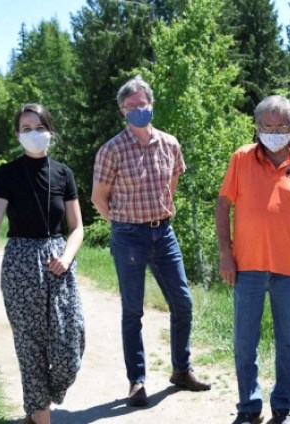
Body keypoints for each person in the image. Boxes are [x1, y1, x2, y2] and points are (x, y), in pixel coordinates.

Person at [91, 75, 210, 407]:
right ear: (122, 111)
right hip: (129, 235)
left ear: (151, 105)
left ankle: (182, 370)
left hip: (164, 232)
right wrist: (120, 223)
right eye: (130, 106)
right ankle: (137, 381)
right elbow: (98, 197)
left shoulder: (170, 143)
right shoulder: (111, 150)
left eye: (142, 104)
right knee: (133, 311)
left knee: (183, 303)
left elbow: (174, 178)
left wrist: (164, 208)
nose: (137, 110)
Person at [0, 103, 85, 424]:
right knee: (31, 352)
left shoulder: (63, 173)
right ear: (18, 135)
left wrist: (67, 256)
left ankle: (39, 403)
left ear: (50, 132)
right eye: (25, 129)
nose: (33, 134)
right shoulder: (8, 173)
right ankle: (39, 414)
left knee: (69, 350)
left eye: (38, 127)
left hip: (59, 266)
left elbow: (78, 228)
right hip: (19, 265)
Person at [216, 95, 290, 424]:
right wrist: (225, 254)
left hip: (289, 270)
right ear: (257, 127)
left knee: (287, 342)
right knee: (245, 341)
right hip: (246, 266)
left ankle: (283, 406)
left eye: (280, 126)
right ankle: (249, 407)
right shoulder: (241, 158)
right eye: (267, 126)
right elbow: (223, 206)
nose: (273, 131)